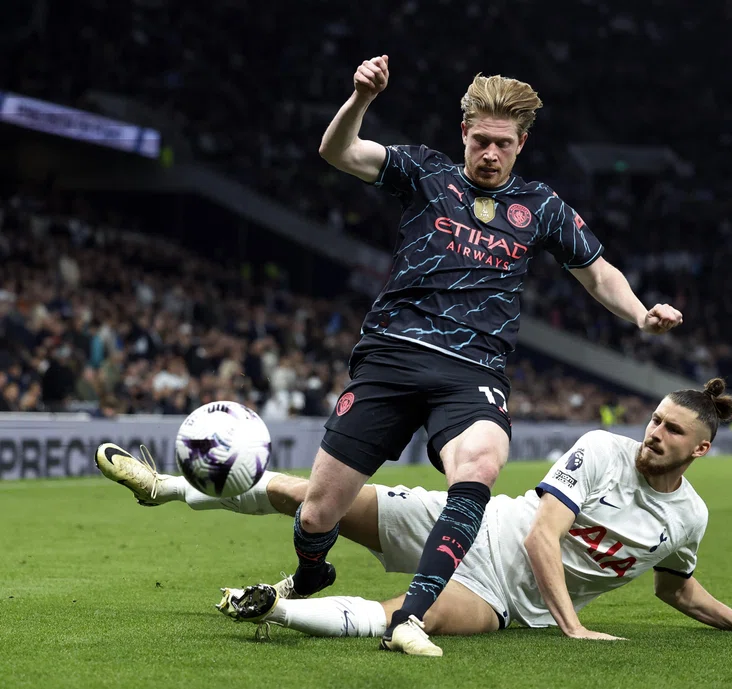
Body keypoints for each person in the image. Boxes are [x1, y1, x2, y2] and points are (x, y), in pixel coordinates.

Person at [283, 54, 682, 653]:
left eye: (502, 144)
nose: (489, 154)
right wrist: (361, 99)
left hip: (472, 369)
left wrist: (639, 312)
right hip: (393, 353)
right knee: (318, 514)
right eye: (480, 141)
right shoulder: (425, 172)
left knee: (481, 463)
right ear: (463, 134)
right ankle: (313, 570)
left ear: (522, 143)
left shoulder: (540, 205)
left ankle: (410, 617)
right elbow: (339, 152)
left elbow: (597, 273)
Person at [94, 380, 732, 651]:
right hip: (479, 524)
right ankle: (163, 486)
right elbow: (540, 533)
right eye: (654, 420)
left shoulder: (688, 517)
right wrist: (574, 624)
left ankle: (270, 610)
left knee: (408, 614)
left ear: (701, 448)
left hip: (500, 597)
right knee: (314, 497)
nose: (654, 433)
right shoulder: (601, 448)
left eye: (671, 431)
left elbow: (675, 587)